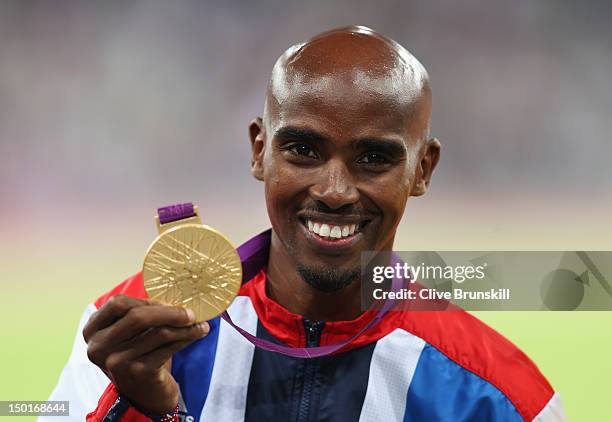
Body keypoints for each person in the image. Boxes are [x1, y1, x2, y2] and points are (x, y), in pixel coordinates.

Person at [44, 26, 566, 422]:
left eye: (374, 159)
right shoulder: (128, 337)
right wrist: (140, 408)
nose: (334, 191)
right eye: (302, 149)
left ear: (422, 170)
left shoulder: (497, 396)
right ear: (258, 151)